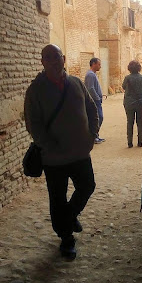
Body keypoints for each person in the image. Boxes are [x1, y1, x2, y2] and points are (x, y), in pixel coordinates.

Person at [24, 44, 98, 260]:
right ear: (42, 62)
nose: (54, 61)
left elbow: (91, 108)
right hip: (54, 158)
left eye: (57, 57)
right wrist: (49, 145)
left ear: (63, 59)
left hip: (80, 153)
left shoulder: (75, 83)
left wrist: (92, 134)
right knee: (57, 197)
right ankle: (66, 239)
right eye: (48, 58)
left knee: (87, 186)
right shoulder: (36, 90)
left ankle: (70, 215)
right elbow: (32, 124)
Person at [122, 60, 142, 148]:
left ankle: (129, 142)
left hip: (129, 103)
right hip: (140, 103)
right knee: (140, 123)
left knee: (130, 122)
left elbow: (123, 87)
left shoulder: (127, 78)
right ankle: (140, 142)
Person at [85, 57, 105, 143]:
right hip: (94, 101)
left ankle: (95, 135)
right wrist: (97, 98)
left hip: (96, 100)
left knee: (98, 118)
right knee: (98, 117)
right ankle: (93, 136)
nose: (100, 66)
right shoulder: (90, 75)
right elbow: (90, 88)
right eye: (99, 64)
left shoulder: (92, 74)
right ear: (93, 64)